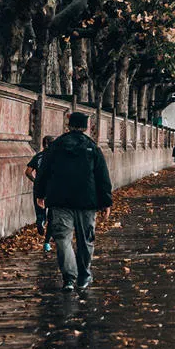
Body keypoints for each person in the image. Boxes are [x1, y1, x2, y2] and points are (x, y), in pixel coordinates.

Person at [34, 112, 114, 290]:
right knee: (86, 240)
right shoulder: (92, 148)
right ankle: (84, 275)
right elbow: (102, 176)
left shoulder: (56, 146)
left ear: (68, 125)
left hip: (60, 201)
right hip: (87, 202)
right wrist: (106, 202)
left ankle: (69, 278)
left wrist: (40, 194)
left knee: (63, 239)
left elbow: (44, 171)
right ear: (85, 127)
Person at [25, 135, 57, 252]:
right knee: (52, 216)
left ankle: (40, 221)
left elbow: (28, 171)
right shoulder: (56, 158)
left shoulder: (38, 156)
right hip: (52, 189)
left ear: (43, 144)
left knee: (40, 210)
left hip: (38, 188)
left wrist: (35, 181)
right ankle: (47, 242)